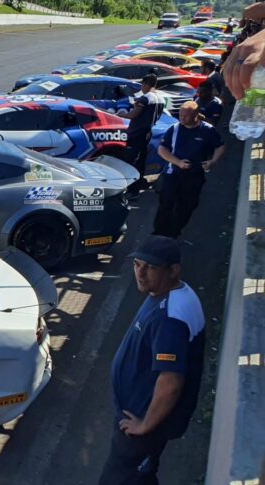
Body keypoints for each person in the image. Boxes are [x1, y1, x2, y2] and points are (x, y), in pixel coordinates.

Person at [99, 236, 206, 485]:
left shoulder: (170, 318)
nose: (140, 273)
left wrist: (145, 425)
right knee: (140, 475)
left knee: (121, 478)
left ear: (173, 271)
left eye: (150, 268)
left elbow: (171, 382)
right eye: (137, 265)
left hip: (142, 422)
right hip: (141, 414)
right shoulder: (172, 293)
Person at [153, 102, 225, 238]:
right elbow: (162, 149)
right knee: (166, 203)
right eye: (181, 115)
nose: (182, 118)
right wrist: (178, 162)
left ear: (196, 116)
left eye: (186, 116)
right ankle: (158, 233)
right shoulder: (174, 129)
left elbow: (220, 146)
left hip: (194, 176)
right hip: (173, 174)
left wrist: (212, 161)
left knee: (187, 205)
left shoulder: (208, 130)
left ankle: (174, 232)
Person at [119, 74, 166, 196]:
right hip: (147, 134)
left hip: (136, 134)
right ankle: (135, 189)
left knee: (130, 163)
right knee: (140, 162)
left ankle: (131, 191)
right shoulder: (160, 99)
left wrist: (122, 114)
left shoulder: (145, 98)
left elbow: (134, 114)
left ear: (145, 84)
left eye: (142, 85)